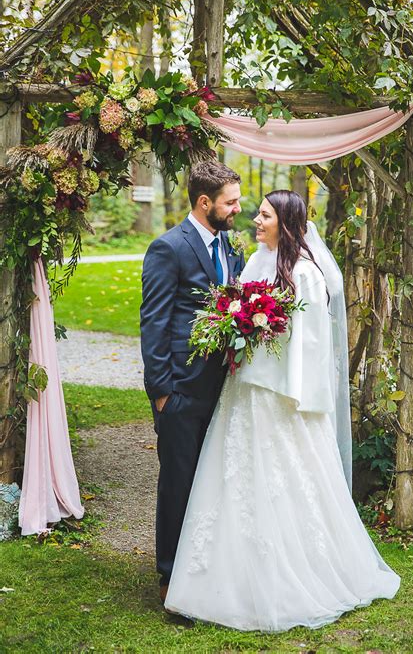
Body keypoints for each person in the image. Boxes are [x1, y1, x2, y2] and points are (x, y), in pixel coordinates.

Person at [164, 190, 400, 631]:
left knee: (283, 481)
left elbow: (310, 345)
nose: (255, 220)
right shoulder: (254, 262)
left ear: (286, 222)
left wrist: (294, 394)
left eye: (265, 215)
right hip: (244, 390)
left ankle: (293, 573)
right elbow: (237, 311)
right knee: (232, 477)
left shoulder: (306, 274)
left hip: (280, 395)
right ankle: (220, 576)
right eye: (257, 213)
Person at [140, 161, 244, 604]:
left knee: (212, 481)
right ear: (205, 203)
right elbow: (155, 322)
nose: (238, 208)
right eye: (230, 202)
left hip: (223, 386)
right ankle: (169, 577)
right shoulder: (169, 248)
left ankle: (204, 570)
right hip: (181, 389)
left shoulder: (229, 246)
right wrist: (162, 392)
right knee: (178, 482)